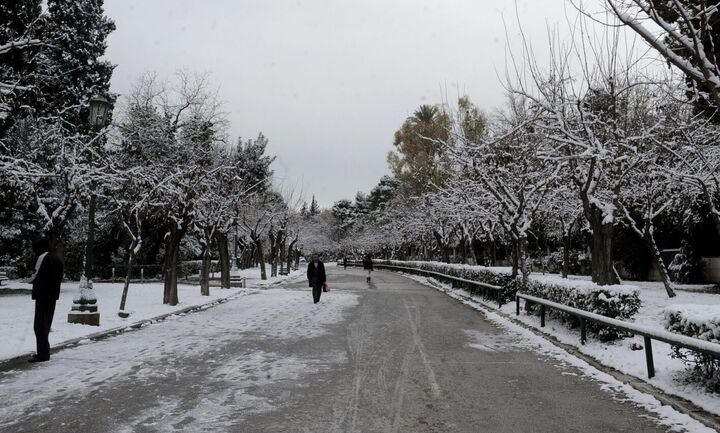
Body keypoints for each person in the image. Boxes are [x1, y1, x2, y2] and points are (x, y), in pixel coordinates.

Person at [27, 237, 64, 363]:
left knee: (39, 326)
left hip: (43, 295)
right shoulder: (56, 257)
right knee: (46, 324)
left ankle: (43, 354)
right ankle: (44, 352)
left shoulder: (43, 257)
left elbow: (34, 276)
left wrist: (27, 280)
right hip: (52, 295)